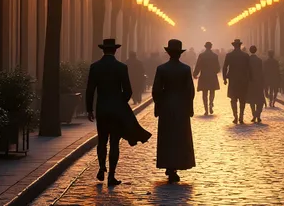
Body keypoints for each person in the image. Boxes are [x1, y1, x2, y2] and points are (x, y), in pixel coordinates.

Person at [86, 39, 151, 185]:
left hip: (102, 108)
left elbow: (90, 90)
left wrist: (89, 109)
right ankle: (112, 175)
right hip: (116, 109)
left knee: (102, 140)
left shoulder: (95, 67)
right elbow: (128, 90)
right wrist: (121, 102)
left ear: (103, 50)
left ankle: (102, 167)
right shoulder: (121, 67)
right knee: (114, 142)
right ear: (115, 50)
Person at [152, 39, 196, 183]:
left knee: (167, 137)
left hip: (166, 106)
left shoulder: (161, 69)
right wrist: (190, 107)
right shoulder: (185, 69)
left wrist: (158, 106)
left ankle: (169, 165)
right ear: (180, 54)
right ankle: (177, 165)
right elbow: (190, 90)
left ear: (168, 53)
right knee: (180, 138)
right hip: (181, 107)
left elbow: (156, 91)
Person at [222, 39, 251, 124]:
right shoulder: (245, 55)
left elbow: (224, 67)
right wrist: (250, 78)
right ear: (240, 45)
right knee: (242, 99)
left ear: (233, 46)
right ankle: (241, 116)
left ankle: (235, 116)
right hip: (243, 79)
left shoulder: (229, 55)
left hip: (233, 80)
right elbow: (249, 68)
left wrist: (224, 78)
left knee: (233, 99)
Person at [193, 41, 221, 115]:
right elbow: (218, 67)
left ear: (205, 47)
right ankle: (211, 104)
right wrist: (214, 71)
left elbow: (198, 65)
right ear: (211, 47)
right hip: (212, 75)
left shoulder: (201, 55)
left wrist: (195, 74)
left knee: (204, 93)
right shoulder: (215, 56)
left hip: (204, 76)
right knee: (212, 91)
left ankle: (206, 109)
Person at [246, 46, 265, 123]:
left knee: (252, 100)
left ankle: (254, 115)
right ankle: (258, 115)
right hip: (258, 82)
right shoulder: (259, 60)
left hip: (250, 82)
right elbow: (261, 72)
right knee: (259, 100)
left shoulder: (247, 60)